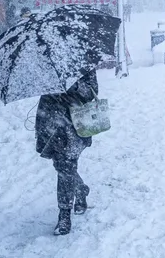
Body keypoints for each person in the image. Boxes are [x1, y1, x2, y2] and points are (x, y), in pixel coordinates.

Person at [36, 71, 98, 236]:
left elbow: (91, 91)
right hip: (51, 123)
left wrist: (72, 85)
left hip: (75, 125)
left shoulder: (80, 61)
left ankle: (64, 214)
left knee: (66, 168)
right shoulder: (44, 62)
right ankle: (81, 189)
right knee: (61, 166)